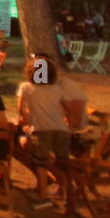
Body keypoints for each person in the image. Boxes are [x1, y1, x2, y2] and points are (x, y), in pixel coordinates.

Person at [16, 54, 86, 198]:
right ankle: (67, 193)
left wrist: (29, 122)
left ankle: (43, 194)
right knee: (62, 162)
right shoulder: (57, 89)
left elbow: (21, 109)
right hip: (61, 130)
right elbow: (68, 109)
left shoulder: (26, 88)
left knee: (41, 162)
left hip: (41, 129)